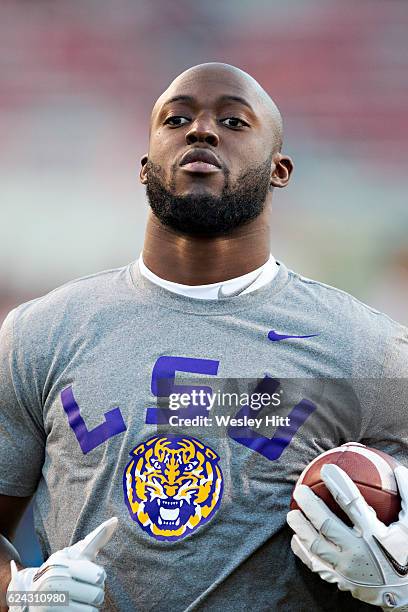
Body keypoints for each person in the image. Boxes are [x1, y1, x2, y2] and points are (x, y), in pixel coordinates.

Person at [0, 62, 407, 612]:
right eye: (178, 119)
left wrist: (401, 584)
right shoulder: (41, 332)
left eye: (235, 122)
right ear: (145, 167)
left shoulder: (367, 347)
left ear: (280, 168)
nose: (201, 130)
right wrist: (20, 593)